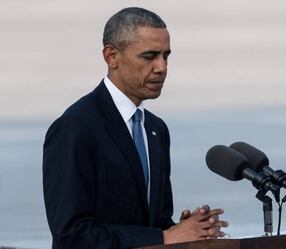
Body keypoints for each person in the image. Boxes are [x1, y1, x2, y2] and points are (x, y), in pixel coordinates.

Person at [42, 7, 228, 249]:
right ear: (111, 57)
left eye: (166, 55)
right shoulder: (75, 127)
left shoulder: (156, 129)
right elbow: (71, 236)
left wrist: (183, 230)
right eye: (149, 56)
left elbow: (150, 225)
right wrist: (164, 237)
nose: (162, 67)